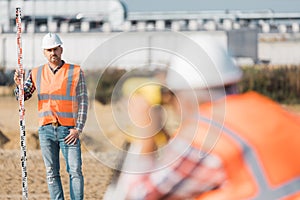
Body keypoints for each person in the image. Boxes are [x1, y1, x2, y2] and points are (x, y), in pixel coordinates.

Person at [117, 38, 300, 199]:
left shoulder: (205, 137)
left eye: (173, 96)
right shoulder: (271, 113)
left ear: (187, 95)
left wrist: (146, 137)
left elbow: (138, 195)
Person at [14, 32, 88, 200]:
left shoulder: (75, 71)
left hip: (69, 131)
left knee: (75, 171)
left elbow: (83, 101)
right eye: (49, 50)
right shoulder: (36, 73)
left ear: (61, 49)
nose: (52, 53)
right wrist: (18, 84)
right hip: (46, 130)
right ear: (44, 52)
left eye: (55, 49)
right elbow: (23, 96)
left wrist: (78, 128)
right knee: (51, 173)